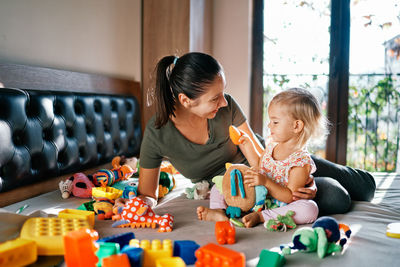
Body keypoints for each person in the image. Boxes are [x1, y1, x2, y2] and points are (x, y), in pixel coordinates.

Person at [138, 52, 376, 218]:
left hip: (278, 161)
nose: (224, 102)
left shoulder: (227, 106)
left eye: (223, 93)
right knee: (337, 199)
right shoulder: (157, 134)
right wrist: (138, 205)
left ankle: (320, 180)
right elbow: (148, 194)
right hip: (253, 186)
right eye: (214, 98)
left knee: (364, 187)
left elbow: (262, 158)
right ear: (185, 100)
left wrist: (303, 180)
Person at [214, 88, 327, 228]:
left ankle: (262, 216)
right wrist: (247, 143)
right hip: (257, 196)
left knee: (309, 209)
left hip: (278, 205)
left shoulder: (300, 161)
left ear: (296, 125)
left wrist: (266, 182)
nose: (269, 125)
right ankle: (218, 211)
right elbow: (258, 165)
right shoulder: (273, 146)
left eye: (275, 122)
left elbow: (290, 196)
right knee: (224, 181)